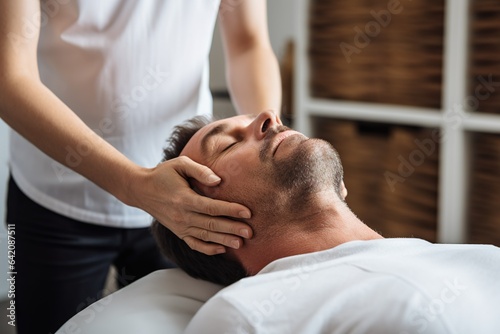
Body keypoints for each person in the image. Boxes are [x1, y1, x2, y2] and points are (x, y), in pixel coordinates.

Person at [0, 1, 281, 333]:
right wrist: (134, 184)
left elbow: (248, 41)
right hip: (53, 192)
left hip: (191, 198)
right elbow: (9, 78)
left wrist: (269, 144)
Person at [152, 111, 500, 333]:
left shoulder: (485, 259)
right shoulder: (248, 316)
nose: (270, 116)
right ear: (203, 224)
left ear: (341, 187)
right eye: (228, 144)